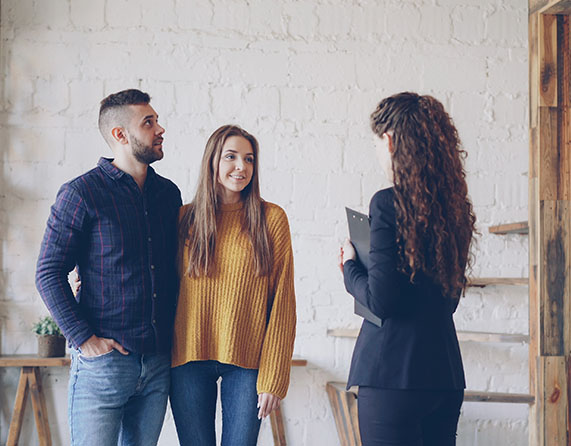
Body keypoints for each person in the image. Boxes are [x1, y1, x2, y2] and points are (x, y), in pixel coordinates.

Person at [35, 89, 182, 446]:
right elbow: (48, 271)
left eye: (157, 119)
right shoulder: (81, 193)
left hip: (159, 364)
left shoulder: (169, 196)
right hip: (103, 366)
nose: (160, 128)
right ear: (120, 135)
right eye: (148, 122)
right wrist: (84, 339)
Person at [339, 92, 476, 446]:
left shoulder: (387, 204)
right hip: (443, 374)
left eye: (376, 144)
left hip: (392, 376)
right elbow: (449, 302)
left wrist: (349, 267)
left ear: (389, 141)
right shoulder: (456, 211)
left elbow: (380, 302)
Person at [170, 125, 296, 446]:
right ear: (212, 161)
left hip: (248, 364)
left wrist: (274, 377)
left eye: (249, 159)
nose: (242, 167)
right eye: (231, 157)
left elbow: (282, 304)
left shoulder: (272, 219)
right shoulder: (184, 219)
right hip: (187, 359)